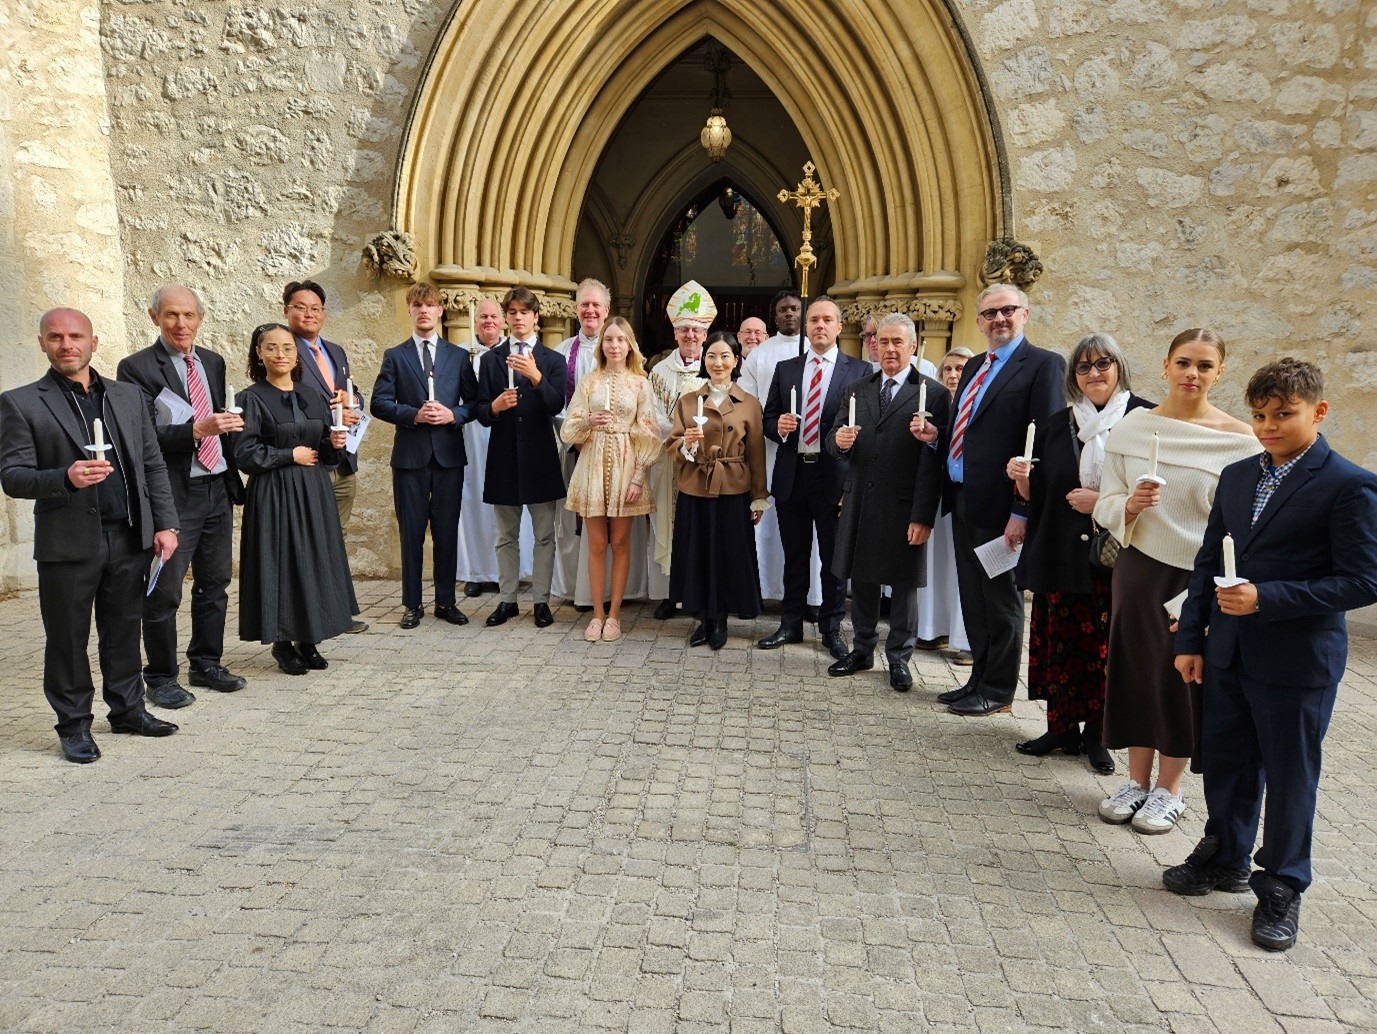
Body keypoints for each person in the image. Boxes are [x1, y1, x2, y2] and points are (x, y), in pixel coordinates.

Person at [1165, 359, 1377, 951]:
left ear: (1319, 411)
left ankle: (1283, 882)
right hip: (1228, 653)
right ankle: (1226, 855)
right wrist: (1191, 640)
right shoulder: (1235, 476)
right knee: (1229, 762)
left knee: (1289, 775)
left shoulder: (1349, 484)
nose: (1268, 427)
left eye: (1284, 415)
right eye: (1259, 416)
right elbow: (1209, 562)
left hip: (1298, 660)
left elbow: (1363, 581)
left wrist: (1267, 598)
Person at [1092, 329, 1256, 834]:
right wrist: (1127, 506)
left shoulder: (1239, 440)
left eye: (1205, 366)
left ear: (1219, 373)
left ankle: (1170, 791)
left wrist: (1203, 596)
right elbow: (1103, 501)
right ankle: (1136, 782)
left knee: (1180, 679)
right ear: (1165, 366)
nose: (1193, 374)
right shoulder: (1133, 429)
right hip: (1139, 567)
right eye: (1184, 362)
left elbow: (1242, 528)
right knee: (1136, 670)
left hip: (1196, 575)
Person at [0, 308, 180, 762]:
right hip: (68, 543)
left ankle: (128, 710)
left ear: (93, 342)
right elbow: (13, 477)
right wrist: (65, 476)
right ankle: (74, 725)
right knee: (68, 639)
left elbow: (152, 464)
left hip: (128, 535)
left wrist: (166, 523)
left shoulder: (126, 396)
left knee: (123, 630)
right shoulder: (21, 402)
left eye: (76, 336)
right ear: (42, 343)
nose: (67, 344)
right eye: (56, 337)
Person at [1007, 335, 1151, 773]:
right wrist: (1023, 481)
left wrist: (1102, 501)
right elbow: (1045, 495)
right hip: (1062, 554)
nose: (1093, 373)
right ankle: (1061, 727)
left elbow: (1154, 486)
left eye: (1102, 363)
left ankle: (1099, 737)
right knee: (1061, 643)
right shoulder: (1057, 423)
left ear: (1119, 367)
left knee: (1107, 649)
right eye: (1083, 367)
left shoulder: (1144, 419)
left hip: (1118, 555)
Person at [116, 284, 247, 708]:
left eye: (189, 315)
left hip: (216, 486)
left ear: (200, 319)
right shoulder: (136, 367)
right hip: (174, 494)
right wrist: (194, 431)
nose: (181, 324)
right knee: (164, 590)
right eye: (171, 315)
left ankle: (206, 663)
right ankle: (160, 677)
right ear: (155, 318)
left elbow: (218, 417)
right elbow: (138, 436)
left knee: (216, 583)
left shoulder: (213, 361)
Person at [939, 283, 1066, 717]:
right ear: (978, 321)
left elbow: (1044, 446)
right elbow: (969, 430)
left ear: (1025, 314)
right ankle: (977, 677)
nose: (999, 319)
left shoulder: (1044, 366)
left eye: (1007, 310)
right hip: (964, 499)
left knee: (1001, 600)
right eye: (990, 313)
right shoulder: (976, 363)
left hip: (1004, 508)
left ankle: (997, 690)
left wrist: (1022, 510)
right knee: (973, 597)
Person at [826, 313, 949, 691]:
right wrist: (839, 443)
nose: (889, 349)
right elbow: (833, 437)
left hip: (903, 504)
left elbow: (935, 460)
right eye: (883, 341)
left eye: (898, 342)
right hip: (861, 498)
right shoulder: (857, 388)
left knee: (903, 586)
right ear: (872, 345)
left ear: (913, 347)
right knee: (861, 579)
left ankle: (899, 658)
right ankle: (862, 650)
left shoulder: (934, 392)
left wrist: (923, 514)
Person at [235, 324, 360, 673]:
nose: (281, 355)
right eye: (272, 348)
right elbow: (245, 453)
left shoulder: (313, 395)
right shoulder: (252, 398)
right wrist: (290, 456)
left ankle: (309, 639)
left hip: (314, 490)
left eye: (288, 348)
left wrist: (334, 445)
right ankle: (282, 642)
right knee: (282, 563)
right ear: (259, 353)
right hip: (275, 493)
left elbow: (325, 453)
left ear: (296, 354)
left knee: (314, 560)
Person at [759, 296, 870, 660]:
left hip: (834, 479)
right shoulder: (787, 368)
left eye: (827, 320)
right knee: (794, 554)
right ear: (806, 328)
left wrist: (852, 483)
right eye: (814, 321)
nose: (820, 325)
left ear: (839, 327)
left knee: (833, 559)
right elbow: (767, 418)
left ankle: (831, 628)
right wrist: (779, 427)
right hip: (793, 474)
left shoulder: (859, 372)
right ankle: (790, 623)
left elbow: (867, 432)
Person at [370, 281, 480, 629]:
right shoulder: (396, 355)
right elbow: (379, 403)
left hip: (448, 456)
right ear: (410, 310)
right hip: (410, 458)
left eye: (429, 305)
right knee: (412, 533)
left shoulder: (458, 356)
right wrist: (413, 414)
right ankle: (412, 604)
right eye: (417, 306)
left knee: (446, 532)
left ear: (440, 310)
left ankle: (446, 602)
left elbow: (474, 403)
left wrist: (454, 415)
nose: (423, 311)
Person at [666, 332, 769, 649]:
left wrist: (759, 496)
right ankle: (704, 619)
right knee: (698, 553)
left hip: (733, 486)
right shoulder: (687, 401)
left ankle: (721, 619)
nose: (718, 362)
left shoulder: (749, 404)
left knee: (728, 553)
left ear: (736, 360)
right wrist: (688, 444)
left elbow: (755, 453)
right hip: (696, 485)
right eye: (711, 355)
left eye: (725, 356)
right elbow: (671, 446)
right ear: (703, 360)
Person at [560, 318, 660, 641]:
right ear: (601, 345)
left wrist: (637, 476)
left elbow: (648, 432)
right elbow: (568, 430)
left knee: (619, 543)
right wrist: (589, 421)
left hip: (626, 465)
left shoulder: (640, 384)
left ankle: (615, 615)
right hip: (591, 463)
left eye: (620, 340)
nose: (614, 345)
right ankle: (597, 614)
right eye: (608, 339)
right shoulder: (588, 382)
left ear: (629, 344)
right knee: (596, 544)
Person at [474, 286, 567, 628]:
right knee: (506, 535)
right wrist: (495, 407)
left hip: (540, 458)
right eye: (511, 313)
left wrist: (535, 376)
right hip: (504, 459)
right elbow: (481, 411)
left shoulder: (553, 361)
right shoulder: (490, 360)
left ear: (535, 317)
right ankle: (508, 599)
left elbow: (557, 404)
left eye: (523, 312)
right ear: (506, 318)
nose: (517, 318)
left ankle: (541, 601)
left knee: (545, 536)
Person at [283, 279, 367, 634]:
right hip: (312, 460)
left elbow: (351, 392)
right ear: (286, 310)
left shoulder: (335, 350)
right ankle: (311, 615)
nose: (309, 314)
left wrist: (355, 404)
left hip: (343, 461)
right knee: (310, 540)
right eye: (300, 307)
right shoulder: (284, 349)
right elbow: (284, 405)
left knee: (336, 539)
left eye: (315, 308)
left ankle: (336, 611)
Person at [737, 289, 822, 614]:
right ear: (775, 316)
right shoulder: (761, 354)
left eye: (795, 309)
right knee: (767, 524)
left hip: (810, 452)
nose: (789, 314)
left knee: (807, 529)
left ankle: (811, 598)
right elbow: (745, 401)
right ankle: (761, 590)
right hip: (769, 451)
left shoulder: (816, 350)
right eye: (783, 310)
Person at [647, 281, 713, 619]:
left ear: (706, 334)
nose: (690, 335)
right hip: (672, 461)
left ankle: (699, 595)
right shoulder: (660, 371)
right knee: (672, 526)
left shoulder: (715, 367)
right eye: (684, 329)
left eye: (696, 330)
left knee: (702, 527)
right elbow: (652, 415)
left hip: (706, 465)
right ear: (675, 333)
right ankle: (672, 594)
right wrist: (679, 436)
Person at [554, 279, 611, 604]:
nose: (590, 311)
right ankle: (577, 589)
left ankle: (611, 589)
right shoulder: (562, 353)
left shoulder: (620, 347)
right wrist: (576, 438)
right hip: (574, 451)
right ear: (576, 310)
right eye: (584, 305)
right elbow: (557, 405)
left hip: (612, 453)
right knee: (573, 518)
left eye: (595, 305)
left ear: (607, 310)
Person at [915, 346, 974, 663]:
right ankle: (931, 628)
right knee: (935, 564)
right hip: (934, 496)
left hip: (965, 496)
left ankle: (965, 638)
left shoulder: (976, 405)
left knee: (960, 567)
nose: (953, 375)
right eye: (947, 369)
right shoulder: (933, 406)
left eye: (960, 368)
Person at [457, 297, 509, 597]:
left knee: (504, 505)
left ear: (502, 320)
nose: (488, 321)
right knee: (474, 501)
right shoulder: (462, 354)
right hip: (472, 437)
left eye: (493, 316)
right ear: (474, 320)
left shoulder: (512, 352)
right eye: (482, 316)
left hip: (504, 433)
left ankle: (507, 570)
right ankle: (476, 571)